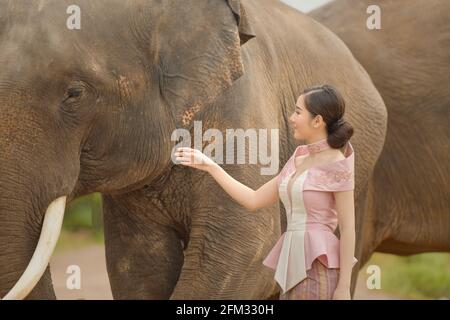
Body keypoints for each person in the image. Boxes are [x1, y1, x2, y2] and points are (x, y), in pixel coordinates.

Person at [175, 84, 358, 300]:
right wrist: (210, 166)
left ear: (317, 121)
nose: (291, 118)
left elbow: (348, 229)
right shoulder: (298, 159)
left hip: (319, 268)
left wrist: (344, 288)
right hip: (292, 270)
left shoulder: (338, 163)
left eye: (298, 112)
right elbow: (253, 199)